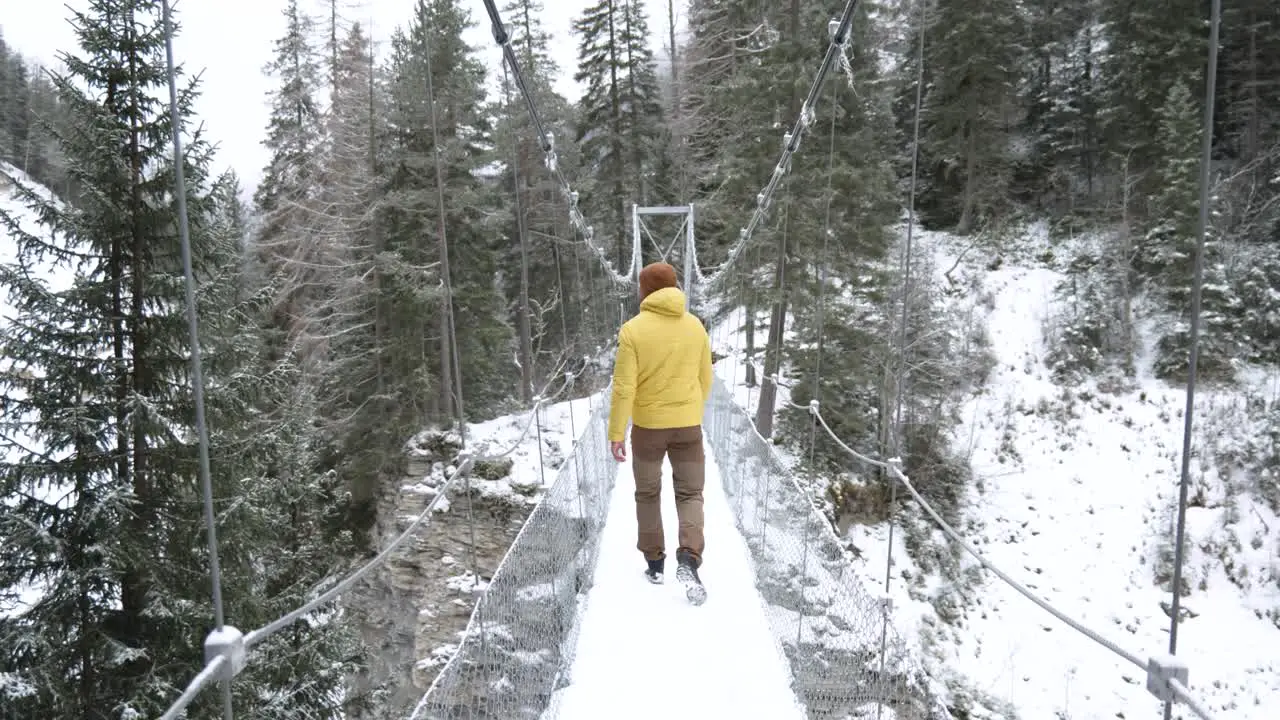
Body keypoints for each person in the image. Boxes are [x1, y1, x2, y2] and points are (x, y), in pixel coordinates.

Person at [607, 262, 712, 600]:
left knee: (648, 494)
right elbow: (705, 378)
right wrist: (690, 408)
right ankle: (690, 556)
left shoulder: (632, 330)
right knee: (691, 494)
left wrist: (616, 432)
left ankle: (654, 563)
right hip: (688, 427)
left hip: (648, 430)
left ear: (645, 290)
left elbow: (624, 388)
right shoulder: (695, 326)